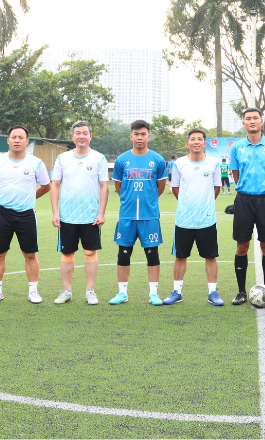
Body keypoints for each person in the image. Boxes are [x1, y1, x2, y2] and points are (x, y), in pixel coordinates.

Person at [0, 125, 51, 303]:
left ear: (27, 141)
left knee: (30, 254)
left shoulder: (36, 163)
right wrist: (2, 197)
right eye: (14, 137)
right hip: (2, 214)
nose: (17, 140)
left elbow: (46, 186)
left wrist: (29, 198)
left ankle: (33, 291)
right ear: (8, 140)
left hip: (26, 214)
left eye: (21, 137)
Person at [163, 129, 225, 306]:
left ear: (205, 143)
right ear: (187, 143)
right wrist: (187, 205)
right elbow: (175, 187)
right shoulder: (179, 163)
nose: (196, 142)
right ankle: (177, 292)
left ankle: (213, 292)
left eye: (199, 139)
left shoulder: (213, 163)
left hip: (207, 219)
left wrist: (205, 205)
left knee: (210, 256)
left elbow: (216, 188)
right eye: (192, 139)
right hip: (184, 219)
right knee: (180, 256)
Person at [228, 107, 265, 305]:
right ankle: (241, 292)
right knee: (241, 246)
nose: (252, 121)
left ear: (261, 121)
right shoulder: (236, 147)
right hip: (243, 200)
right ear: (243, 123)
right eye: (248, 118)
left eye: (255, 118)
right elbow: (236, 174)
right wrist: (247, 189)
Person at [111, 120, 169, 305]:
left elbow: (160, 187)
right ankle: (122, 293)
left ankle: (153, 294)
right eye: (136, 134)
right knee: (123, 254)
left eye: (143, 134)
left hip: (149, 215)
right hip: (127, 215)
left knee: (152, 254)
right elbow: (118, 187)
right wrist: (128, 200)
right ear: (131, 136)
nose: (139, 137)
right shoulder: (122, 160)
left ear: (148, 136)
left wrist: (149, 200)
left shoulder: (157, 160)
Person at [50, 120, 108, 305]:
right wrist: (55, 212)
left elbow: (104, 186)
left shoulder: (99, 158)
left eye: (85, 133)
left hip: (90, 215)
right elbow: (55, 185)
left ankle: (90, 291)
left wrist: (101, 213)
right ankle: (66, 291)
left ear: (90, 136)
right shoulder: (62, 158)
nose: (81, 136)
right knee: (67, 254)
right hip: (67, 215)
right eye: (78, 133)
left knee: (90, 253)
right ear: (72, 136)